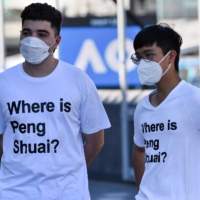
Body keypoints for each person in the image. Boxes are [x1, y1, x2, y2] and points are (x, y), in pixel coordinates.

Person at [0, 3, 111, 200]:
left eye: (42, 34)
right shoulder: (4, 82)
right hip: (14, 192)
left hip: (67, 193)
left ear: (56, 41)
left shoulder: (78, 80)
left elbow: (95, 141)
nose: (32, 40)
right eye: (27, 32)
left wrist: (68, 174)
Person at [131, 23, 200, 199]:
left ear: (171, 57)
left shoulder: (194, 99)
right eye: (138, 57)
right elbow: (139, 150)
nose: (143, 63)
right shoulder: (143, 106)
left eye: (149, 55)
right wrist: (142, 192)